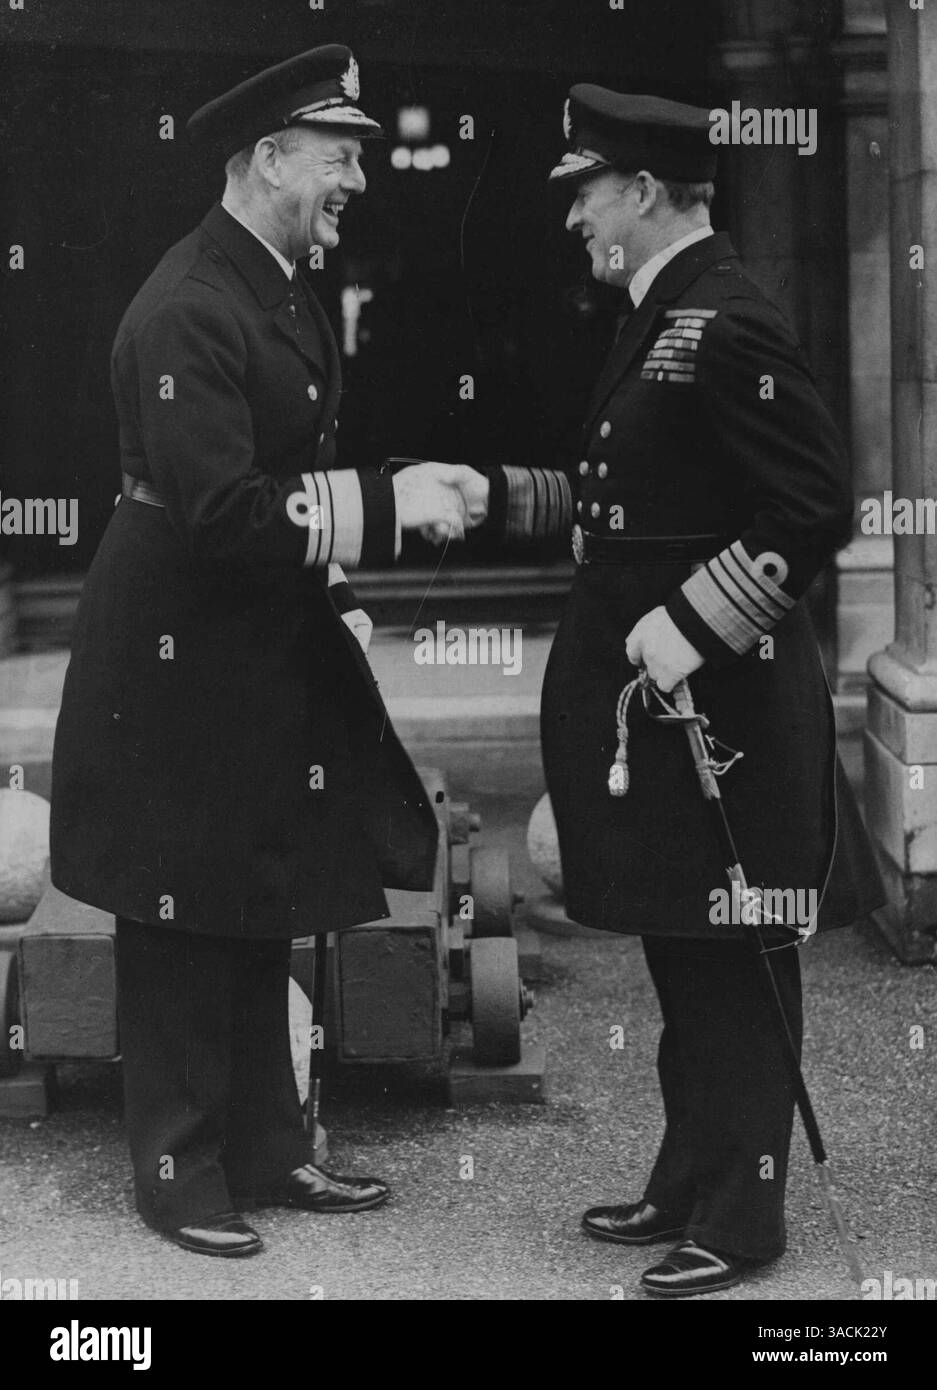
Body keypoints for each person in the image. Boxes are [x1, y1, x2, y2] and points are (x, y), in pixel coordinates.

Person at [50, 44, 487, 1258]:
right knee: (181, 895)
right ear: (265, 158)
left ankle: (267, 1148)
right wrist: (392, 513)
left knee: (258, 880)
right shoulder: (192, 299)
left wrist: (336, 578)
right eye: (337, 152)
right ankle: (178, 1173)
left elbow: (284, 481)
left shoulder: (277, 280)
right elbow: (224, 511)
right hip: (179, 641)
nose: (358, 174)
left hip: (248, 630)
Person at [475, 85, 884, 1296]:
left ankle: (745, 1217)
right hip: (672, 713)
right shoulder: (666, 310)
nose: (573, 221)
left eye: (585, 193)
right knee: (685, 947)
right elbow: (636, 494)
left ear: (645, 193)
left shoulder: (724, 320)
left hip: (729, 714)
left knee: (735, 958)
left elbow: (813, 507)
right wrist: (495, 494)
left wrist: (695, 621)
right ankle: (689, 1171)